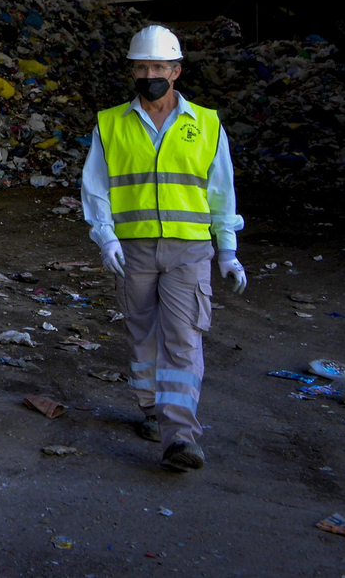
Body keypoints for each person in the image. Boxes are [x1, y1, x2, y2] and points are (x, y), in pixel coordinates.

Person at [80, 24, 247, 472]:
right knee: (142, 335)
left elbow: (221, 192)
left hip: (189, 250)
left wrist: (227, 250)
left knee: (183, 338)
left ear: (175, 71)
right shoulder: (110, 123)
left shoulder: (207, 125)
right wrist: (106, 236)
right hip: (132, 250)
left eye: (157, 66)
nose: (149, 73)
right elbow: (95, 189)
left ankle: (181, 436)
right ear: (132, 71)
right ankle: (151, 409)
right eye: (141, 66)